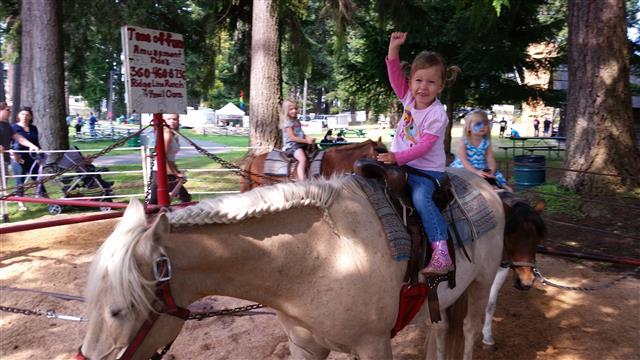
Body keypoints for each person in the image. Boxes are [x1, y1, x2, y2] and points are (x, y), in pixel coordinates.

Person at [377, 32, 460, 275]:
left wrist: (397, 157)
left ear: (441, 86)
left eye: (431, 82)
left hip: (426, 170)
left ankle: (441, 251)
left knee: (421, 199)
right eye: (418, 80)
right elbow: (393, 75)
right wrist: (393, 48)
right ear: (411, 81)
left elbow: (423, 147)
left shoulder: (437, 114)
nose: (423, 87)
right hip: (401, 164)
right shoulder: (409, 99)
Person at [449, 110, 512, 191]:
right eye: (478, 124)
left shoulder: (486, 142)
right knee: (469, 179)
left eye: (485, 124)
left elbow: (490, 159)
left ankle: (498, 186)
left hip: (481, 166)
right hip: (466, 167)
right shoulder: (464, 142)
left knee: (493, 176)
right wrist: (476, 172)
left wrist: (491, 171)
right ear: (468, 127)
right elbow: (464, 160)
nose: (482, 126)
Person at [0, 103, 41, 208]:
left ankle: (4, 213)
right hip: (12, 157)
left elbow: (19, 138)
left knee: (2, 185)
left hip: (3, 160)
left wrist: (33, 146)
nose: (10, 112)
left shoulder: (7, 125)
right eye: (7, 110)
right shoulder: (12, 125)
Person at [149, 113, 191, 205]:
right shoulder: (166, 133)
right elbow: (163, 156)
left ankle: (157, 216)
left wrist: (176, 171)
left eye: (175, 119)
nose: (172, 121)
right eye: (169, 119)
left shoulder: (172, 134)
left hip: (167, 171)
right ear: (163, 120)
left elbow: (170, 158)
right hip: (162, 171)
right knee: (184, 197)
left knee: (155, 201)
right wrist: (176, 173)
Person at [10, 106, 47, 209]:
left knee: (37, 178)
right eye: (22, 114)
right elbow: (11, 143)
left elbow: (36, 142)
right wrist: (13, 153)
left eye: (27, 115)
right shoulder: (13, 127)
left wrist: (40, 152)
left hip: (32, 157)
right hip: (19, 157)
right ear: (18, 115)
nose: (25, 117)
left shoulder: (33, 128)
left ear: (31, 117)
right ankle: (20, 202)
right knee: (20, 180)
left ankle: (46, 198)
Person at [281, 99, 315, 181]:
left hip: (299, 143)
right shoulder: (287, 123)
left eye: (295, 109)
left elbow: (301, 134)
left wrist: (308, 137)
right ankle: (302, 180)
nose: (294, 111)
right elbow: (293, 138)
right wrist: (307, 141)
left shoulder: (296, 121)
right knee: (302, 159)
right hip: (291, 146)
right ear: (286, 111)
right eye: (291, 109)